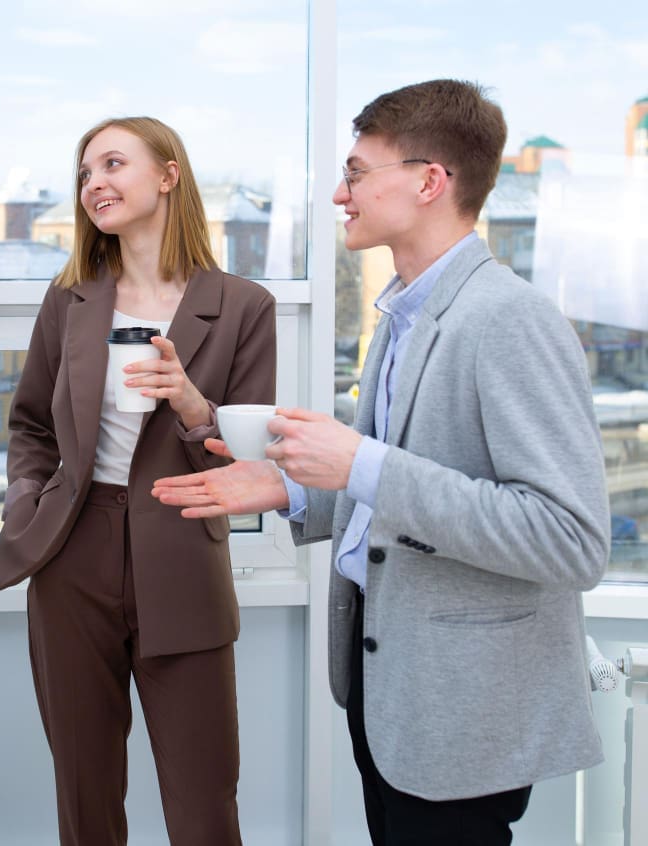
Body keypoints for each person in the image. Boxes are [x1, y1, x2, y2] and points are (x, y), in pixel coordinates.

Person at [152, 79, 610, 845]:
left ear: (430, 181)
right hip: (391, 683)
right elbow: (401, 500)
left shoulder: (508, 320)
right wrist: (293, 488)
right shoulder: (406, 312)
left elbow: (569, 539)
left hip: (462, 705)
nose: (339, 192)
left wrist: (362, 463)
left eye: (358, 172)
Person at [0, 116, 276, 845]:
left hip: (182, 554)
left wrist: (189, 402)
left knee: (205, 799)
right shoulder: (70, 301)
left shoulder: (242, 306)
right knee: (84, 796)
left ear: (168, 175)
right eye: (85, 173)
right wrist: (30, 506)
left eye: (113, 164)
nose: (95, 185)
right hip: (71, 559)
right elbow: (29, 425)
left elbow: (248, 461)